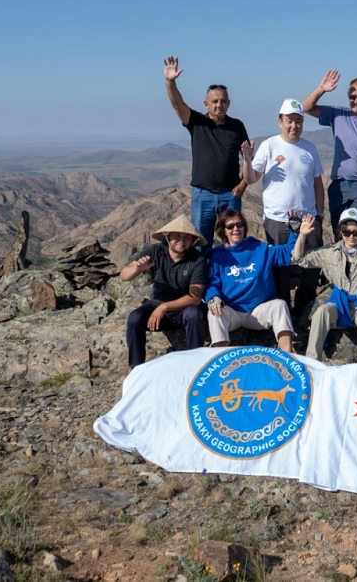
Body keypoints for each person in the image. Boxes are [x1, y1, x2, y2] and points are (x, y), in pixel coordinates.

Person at [242, 98, 326, 313]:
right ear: (280, 121)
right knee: (281, 270)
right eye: (289, 120)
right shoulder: (269, 146)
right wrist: (247, 159)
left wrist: (320, 214)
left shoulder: (309, 149)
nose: (294, 126)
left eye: (298, 121)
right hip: (278, 220)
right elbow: (251, 179)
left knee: (312, 267)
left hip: (308, 220)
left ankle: (303, 311)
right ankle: (282, 315)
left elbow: (317, 183)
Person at [162, 56, 250, 246]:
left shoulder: (237, 126)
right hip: (203, 195)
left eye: (223, 101)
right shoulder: (196, 122)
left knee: (234, 243)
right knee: (201, 243)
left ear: (229, 103)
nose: (219, 105)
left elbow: (250, 159)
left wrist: (243, 185)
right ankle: (203, 276)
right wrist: (170, 81)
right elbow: (177, 103)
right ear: (206, 104)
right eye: (215, 101)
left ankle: (230, 275)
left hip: (230, 194)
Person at [204, 210, 313, 352]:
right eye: (230, 226)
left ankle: (287, 354)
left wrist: (296, 232)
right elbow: (212, 281)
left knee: (279, 305)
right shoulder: (217, 256)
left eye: (240, 225)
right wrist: (213, 297)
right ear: (223, 231)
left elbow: (289, 254)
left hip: (258, 311)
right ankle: (220, 357)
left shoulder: (260, 249)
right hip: (232, 312)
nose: (236, 229)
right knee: (214, 312)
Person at [291, 208, 357, 363]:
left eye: (356, 232)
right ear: (340, 231)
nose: (351, 237)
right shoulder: (329, 251)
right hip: (339, 304)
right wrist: (302, 235)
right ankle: (312, 360)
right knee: (322, 311)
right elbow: (299, 259)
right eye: (346, 231)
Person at [303, 70, 357, 233]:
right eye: (352, 97)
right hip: (339, 185)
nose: (356, 100)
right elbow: (307, 108)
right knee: (340, 231)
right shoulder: (338, 114)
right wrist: (321, 88)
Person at [120, 215, 208, 370]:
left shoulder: (197, 260)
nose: (181, 240)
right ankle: (136, 368)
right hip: (157, 306)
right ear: (167, 237)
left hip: (183, 310)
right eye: (176, 236)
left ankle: (195, 365)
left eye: (187, 237)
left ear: (193, 241)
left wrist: (164, 307)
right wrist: (136, 269)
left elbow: (195, 297)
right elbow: (124, 276)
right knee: (135, 318)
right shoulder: (155, 252)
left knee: (194, 314)